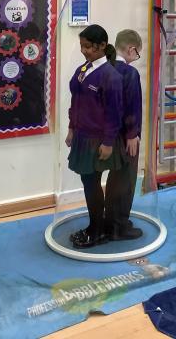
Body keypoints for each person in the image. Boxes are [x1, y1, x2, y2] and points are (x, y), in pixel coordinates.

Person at [66, 24, 123, 248]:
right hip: (81, 135)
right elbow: (75, 102)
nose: (84, 51)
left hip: (97, 139)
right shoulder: (83, 70)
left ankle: (97, 230)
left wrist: (108, 142)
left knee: (92, 183)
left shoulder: (111, 76)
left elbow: (114, 114)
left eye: (88, 47)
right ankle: (95, 226)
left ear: (102, 46)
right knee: (88, 182)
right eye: (82, 46)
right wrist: (71, 128)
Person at [105, 29, 143, 240]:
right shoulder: (129, 73)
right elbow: (131, 106)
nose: (136, 57)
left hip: (106, 135)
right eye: (137, 54)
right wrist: (132, 134)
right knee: (126, 180)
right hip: (124, 136)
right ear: (131, 49)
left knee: (113, 178)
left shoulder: (104, 68)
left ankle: (110, 220)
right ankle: (119, 226)